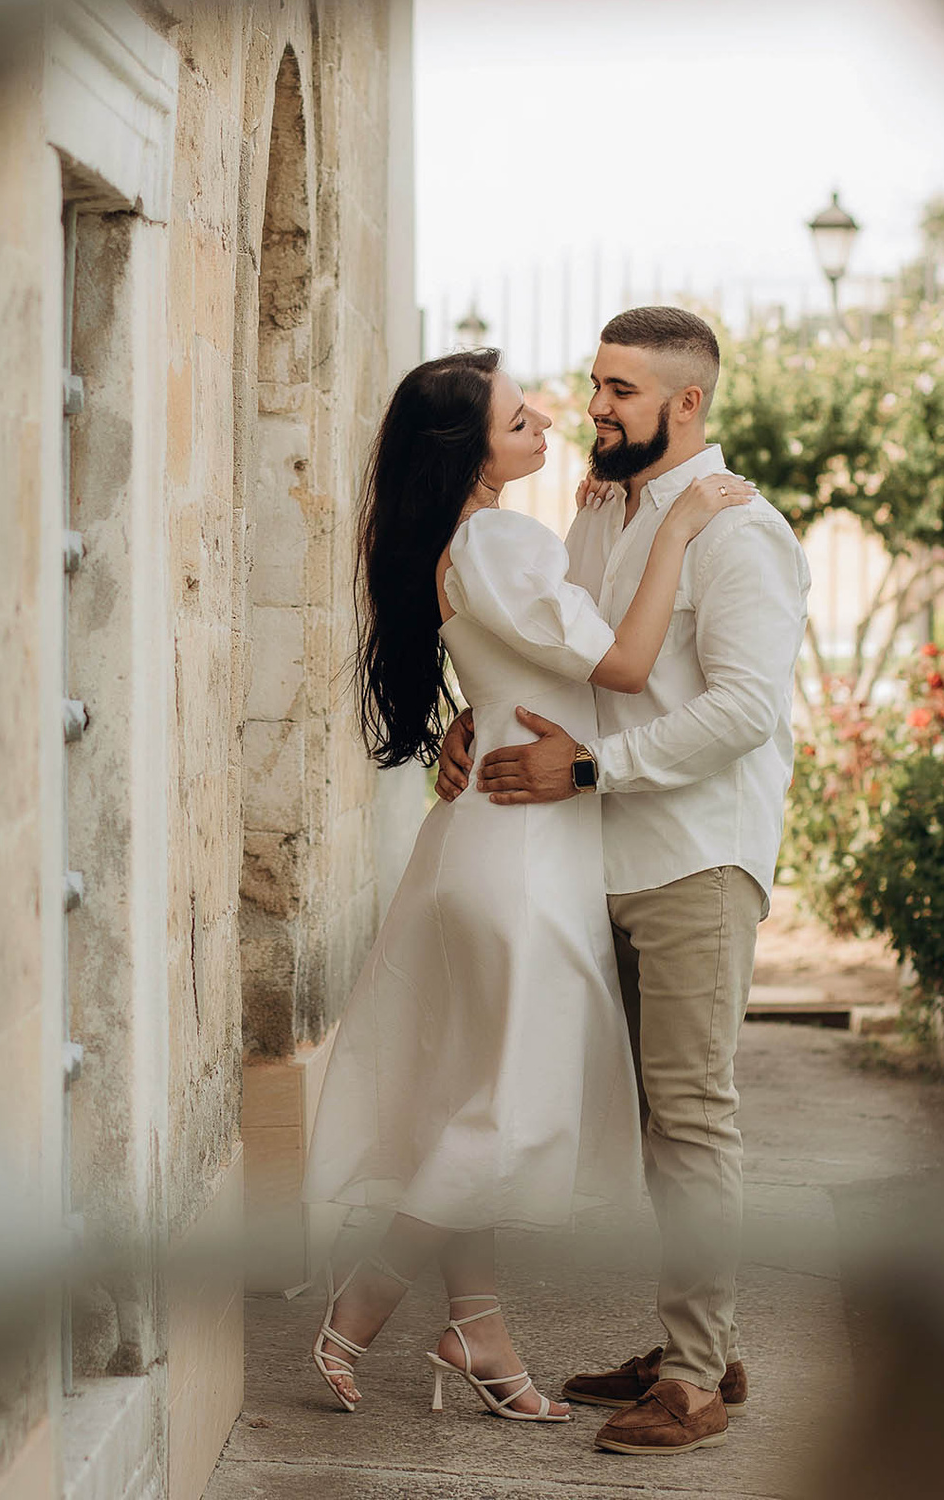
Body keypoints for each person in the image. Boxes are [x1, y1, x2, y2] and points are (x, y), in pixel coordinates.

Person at [301, 346, 757, 1424]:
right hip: (525, 851)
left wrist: (604, 522)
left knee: (477, 1090)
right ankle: (358, 1310)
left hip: (488, 835)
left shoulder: (472, 543)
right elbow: (627, 665)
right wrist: (681, 526)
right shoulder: (500, 540)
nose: (549, 416)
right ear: (470, 450)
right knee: (510, 1113)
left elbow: (537, 651)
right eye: (518, 416)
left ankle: (481, 1331)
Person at [437, 305, 810, 1456]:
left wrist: (594, 767)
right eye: (595, 384)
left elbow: (744, 709)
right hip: (599, 851)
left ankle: (694, 1382)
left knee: (692, 1118)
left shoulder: (738, 532)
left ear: (685, 404)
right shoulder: (599, 513)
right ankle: (697, 1342)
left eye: (620, 392)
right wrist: (472, 722)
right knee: (654, 1124)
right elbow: (575, 657)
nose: (595, 407)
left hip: (695, 856)